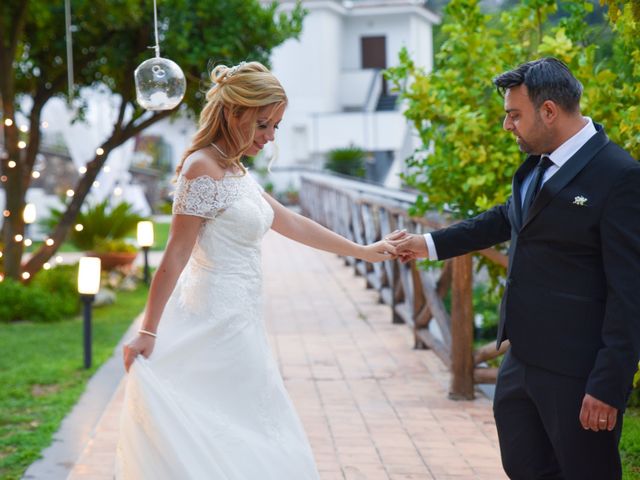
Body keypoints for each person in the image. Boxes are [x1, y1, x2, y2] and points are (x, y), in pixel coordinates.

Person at [115, 61, 401, 479]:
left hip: (243, 319)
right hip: (212, 319)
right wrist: (148, 329)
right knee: (234, 426)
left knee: (249, 424)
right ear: (234, 113)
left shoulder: (236, 168)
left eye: (276, 127)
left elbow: (291, 221)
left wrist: (363, 250)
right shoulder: (202, 168)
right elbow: (175, 256)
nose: (269, 137)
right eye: (263, 124)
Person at [389, 57, 640, 479]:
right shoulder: (536, 165)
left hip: (578, 372)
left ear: (548, 111)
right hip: (520, 361)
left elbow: (631, 292)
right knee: (523, 467)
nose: (508, 126)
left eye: (513, 115)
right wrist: (427, 244)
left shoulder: (621, 176)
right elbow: (507, 217)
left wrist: (608, 385)